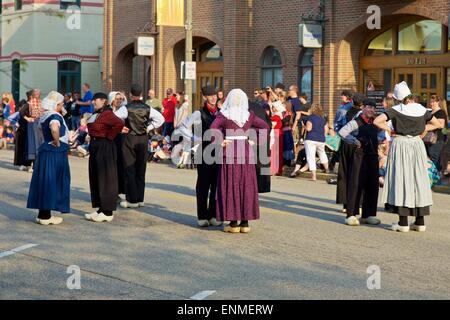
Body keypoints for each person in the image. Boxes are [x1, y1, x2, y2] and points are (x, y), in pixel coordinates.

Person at [374, 81, 442, 233]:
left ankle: (403, 222)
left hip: (401, 143)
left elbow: (377, 121)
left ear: (398, 98)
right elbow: (438, 124)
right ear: (410, 96)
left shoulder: (396, 110)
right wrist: (422, 129)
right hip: (417, 145)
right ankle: (420, 221)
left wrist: (390, 130)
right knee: (418, 180)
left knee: (402, 180)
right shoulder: (421, 109)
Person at [210, 89, 270, 233]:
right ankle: (245, 223)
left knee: (231, 185)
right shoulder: (249, 115)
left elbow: (213, 128)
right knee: (246, 185)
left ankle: (233, 223)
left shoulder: (224, 114)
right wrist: (254, 140)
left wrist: (220, 141)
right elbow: (265, 126)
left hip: (230, 151)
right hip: (246, 152)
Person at [173, 86, 222, 227]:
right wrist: (194, 138)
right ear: (204, 97)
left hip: (218, 151)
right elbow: (182, 127)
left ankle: (213, 214)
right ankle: (202, 216)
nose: (213, 98)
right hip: (204, 151)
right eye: (210, 95)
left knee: (216, 184)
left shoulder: (220, 113)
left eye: (214, 95)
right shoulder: (198, 113)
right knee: (203, 184)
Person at [27, 91, 71, 225]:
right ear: (56, 104)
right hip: (55, 152)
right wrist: (57, 141)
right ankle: (46, 216)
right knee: (53, 181)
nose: (62, 106)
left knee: (45, 180)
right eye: (61, 103)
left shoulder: (45, 115)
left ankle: (43, 213)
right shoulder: (54, 116)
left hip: (46, 150)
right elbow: (54, 128)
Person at [120, 84, 164, 208]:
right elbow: (161, 119)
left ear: (130, 94)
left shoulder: (125, 108)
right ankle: (140, 199)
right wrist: (148, 128)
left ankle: (131, 199)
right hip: (143, 138)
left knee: (129, 168)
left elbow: (114, 118)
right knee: (141, 168)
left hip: (130, 137)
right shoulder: (148, 108)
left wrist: (121, 128)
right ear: (141, 94)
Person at [339, 98, 381, 226]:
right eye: (369, 107)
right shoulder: (356, 122)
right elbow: (342, 132)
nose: (371, 110)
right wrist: (354, 141)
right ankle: (351, 214)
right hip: (360, 156)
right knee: (356, 185)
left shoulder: (376, 122)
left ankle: (368, 214)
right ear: (363, 108)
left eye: (373, 108)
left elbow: (383, 134)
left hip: (373, 157)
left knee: (373, 186)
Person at [84, 93, 124, 223]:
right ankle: (101, 209)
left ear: (104, 101)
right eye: (93, 100)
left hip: (104, 146)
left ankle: (108, 211)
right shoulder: (97, 113)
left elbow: (119, 123)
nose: (94, 102)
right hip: (96, 145)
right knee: (96, 176)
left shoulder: (107, 113)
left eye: (96, 100)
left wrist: (109, 136)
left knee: (106, 178)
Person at [334, 91, 362, 213]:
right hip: (358, 144)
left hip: (345, 142)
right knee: (357, 174)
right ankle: (358, 203)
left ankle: (345, 203)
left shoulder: (343, 110)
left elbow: (337, 126)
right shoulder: (362, 114)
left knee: (344, 172)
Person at [248, 100, 272, 192]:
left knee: (254, 163)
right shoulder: (259, 107)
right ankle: (264, 186)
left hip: (253, 136)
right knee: (263, 162)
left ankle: (252, 187)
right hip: (264, 135)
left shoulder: (245, 108)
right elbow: (269, 123)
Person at [108, 91, 128, 198]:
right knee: (111, 165)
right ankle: (112, 191)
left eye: (121, 98)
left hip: (120, 139)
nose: (119, 100)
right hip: (110, 139)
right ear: (112, 100)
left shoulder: (124, 109)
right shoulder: (108, 110)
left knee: (120, 164)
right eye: (117, 98)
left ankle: (121, 191)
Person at [302, 103, 329, 181]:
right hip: (321, 139)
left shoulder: (310, 118)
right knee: (322, 153)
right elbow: (326, 130)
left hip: (311, 139)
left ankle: (313, 176)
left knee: (311, 156)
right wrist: (323, 136)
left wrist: (304, 126)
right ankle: (327, 169)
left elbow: (309, 129)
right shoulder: (323, 119)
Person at [424, 95, 447, 171]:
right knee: (427, 158)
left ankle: (437, 177)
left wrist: (429, 125)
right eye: (430, 102)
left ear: (437, 102)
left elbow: (441, 125)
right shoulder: (429, 112)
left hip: (436, 139)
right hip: (427, 138)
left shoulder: (441, 112)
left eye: (433, 102)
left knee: (434, 158)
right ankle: (431, 176)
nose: (431, 103)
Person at [14, 91, 34, 171]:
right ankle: (24, 164)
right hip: (23, 129)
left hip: (29, 129)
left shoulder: (34, 105)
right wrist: (28, 119)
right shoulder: (26, 104)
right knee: (24, 147)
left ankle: (28, 164)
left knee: (29, 147)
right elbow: (20, 114)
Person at [270, 100, 284, 176]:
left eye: (273, 107)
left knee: (274, 152)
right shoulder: (279, 116)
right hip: (278, 134)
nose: (272, 108)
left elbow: (272, 126)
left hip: (275, 134)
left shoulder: (276, 117)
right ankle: (278, 170)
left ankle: (274, 170)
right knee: (277, 153)